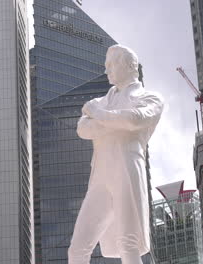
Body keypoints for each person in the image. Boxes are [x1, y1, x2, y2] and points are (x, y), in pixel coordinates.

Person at [68, 44, 164, 264]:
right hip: (100, 178)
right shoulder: (100, 101)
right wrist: (116, 120)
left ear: (129, 65)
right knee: (77, 248)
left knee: (128, 245)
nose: (106, 70)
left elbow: (135, 119)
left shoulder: (150, 98)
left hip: (126, 172)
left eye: (111, 64)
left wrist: (99, 115)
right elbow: (83, 129)